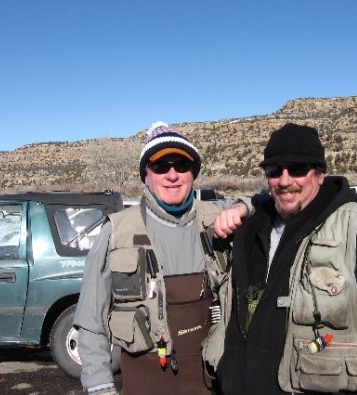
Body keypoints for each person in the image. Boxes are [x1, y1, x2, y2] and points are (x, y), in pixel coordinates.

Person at [210, 123, 357, 395]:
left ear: (320, 174)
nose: (285, 181)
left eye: (297, 169)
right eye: (274, 171)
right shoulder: (249, 231)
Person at [74, 122, 249, 395]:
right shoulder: (115, 231)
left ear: (193, 173)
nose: (172, 175)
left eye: (181, 165)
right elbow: (90, 320)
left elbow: (278, 198)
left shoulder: (219, 219)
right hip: (145, 385)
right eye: (161, 166)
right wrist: (99, 385)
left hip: (215, 384)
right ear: (146, 174)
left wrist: (243, 206)